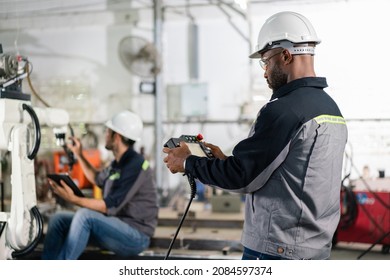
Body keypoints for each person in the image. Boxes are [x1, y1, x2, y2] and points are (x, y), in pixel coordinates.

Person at [163, 11, 348, 260]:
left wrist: (188, 161)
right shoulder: (331, 109)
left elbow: (242, 178)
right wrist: (224, 160)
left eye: (266, 62)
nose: (264, 73)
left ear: (285, 55)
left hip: (277, 249)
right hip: (314, 249)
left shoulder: (284, 109)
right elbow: (288, 172)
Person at [42, 110, 158, 259]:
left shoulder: (135, 165)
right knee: (58, 220)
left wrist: (74, 199)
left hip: (135, 236)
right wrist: (79, 154)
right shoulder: (118, 162)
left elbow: (108, 206)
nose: (105, 135)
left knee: (85, 216)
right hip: (113, 226)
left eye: (107, 131)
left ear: (116, 137)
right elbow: (97, 178)